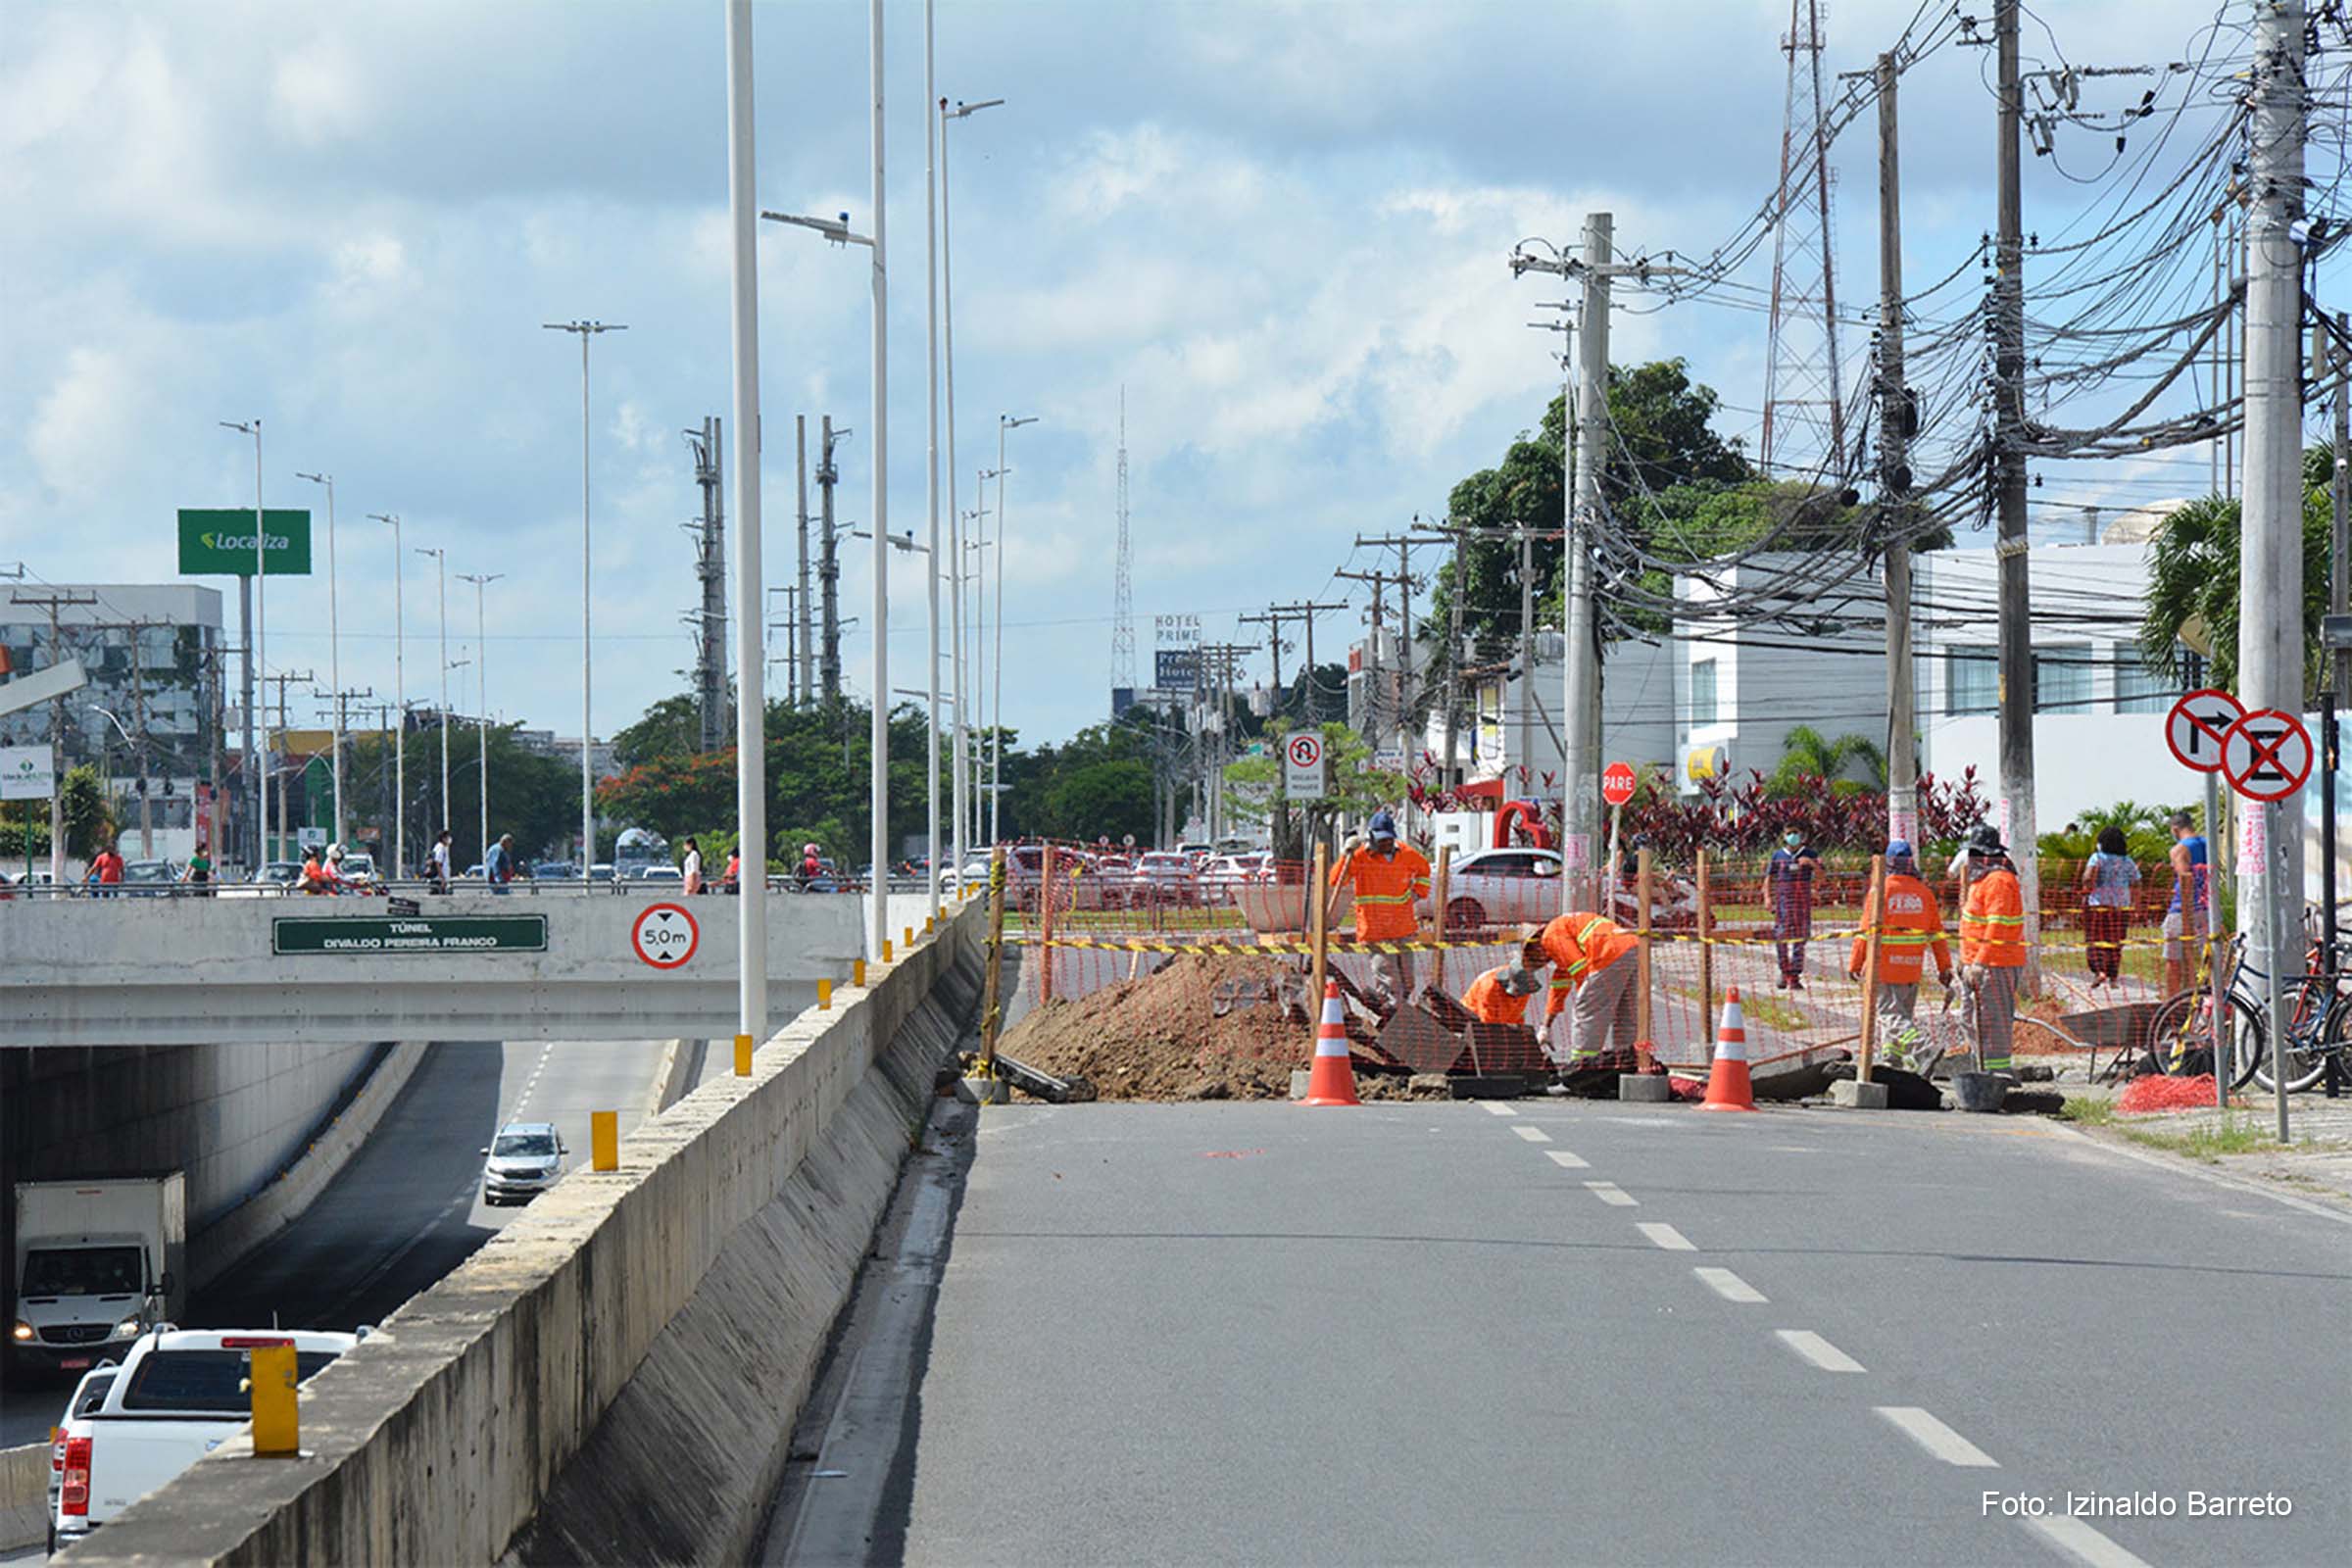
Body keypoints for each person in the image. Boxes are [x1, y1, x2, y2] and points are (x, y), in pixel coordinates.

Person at [1847, 841, 1952, 1068]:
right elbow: (1937, 936)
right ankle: (1890, 1059)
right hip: (1912, 968)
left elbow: (1865, 933)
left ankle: (1923, 1048)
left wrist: (1855, 964)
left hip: (1884, 967)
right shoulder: (1924, 893)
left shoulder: (1881, 890)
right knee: (1901, 1015)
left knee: (1890, 1016)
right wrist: (1945, 967)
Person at [1328, 809, 1431, 1010]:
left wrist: (1418, 893)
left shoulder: (1407, 854)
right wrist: (1344, 854)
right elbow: (1335, 880)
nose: (1386, 844)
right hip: (1375, 931)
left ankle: (1402, 1011)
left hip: (1403, 928)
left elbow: (1424, 870)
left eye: (1389, 839)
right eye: (1381, 840)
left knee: (1408, 981)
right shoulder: (1359, 857)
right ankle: (1393, 1019)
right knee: (1390, 982)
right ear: (1371, 837)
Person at [1521, 910, 1640, 1066]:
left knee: (1586, 1014)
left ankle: (1582, 1067)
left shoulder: (1550, 936)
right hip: (1633, 948)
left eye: (1533, 957)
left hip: (1608, 953)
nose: (1542, 962)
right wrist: (1546, 1027)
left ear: (1535, 944)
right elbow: (1558, 989)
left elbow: (1579, 969)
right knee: (1625, 1014)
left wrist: (1587, 1001)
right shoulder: (1563, 931)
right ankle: (1626, 1065)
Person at [1957, 824, 2027, 1076]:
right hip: (1976, 963)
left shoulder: (1999, 881)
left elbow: (1996, 926)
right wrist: (1964, 959)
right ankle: (1981, 1068)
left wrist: (1980, 963)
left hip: (1995, 964)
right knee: (1971, 1020)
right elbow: (1973, 923)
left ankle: (1998, 1076)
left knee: (1993, 1025)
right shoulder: (1982, 880)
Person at [2080, 825, 2140, 992]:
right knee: (2116, 941)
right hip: (2121, 906)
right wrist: (2137, 905)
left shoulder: (2097, 857)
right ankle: (2113, 975)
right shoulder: (2127, 861)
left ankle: (2099, 971)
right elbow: (2136, 882)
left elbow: (2086, 878)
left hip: (2099, 905)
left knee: (2095, 940)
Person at [2161, 810, 2209, 996]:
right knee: (2211, 958)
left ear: (2175, 829)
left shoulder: (2179, 849)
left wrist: (2187, 915)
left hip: (2183, 909)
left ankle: (2173, 1004)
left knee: (2173, 960)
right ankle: (2214, 1002)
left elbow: (2185, 878)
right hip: (2207, 907)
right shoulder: (2208, 844)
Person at [1766, 829, 1820, 988]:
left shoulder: (1810, 854)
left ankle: (1795, 975)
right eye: (1790, 833)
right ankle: (1784, 971)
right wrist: (1768, 898)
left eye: (1796, 833)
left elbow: (1822, 876)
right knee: (1781, 936)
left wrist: (1811, 864)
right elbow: (1768, 878)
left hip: (1802, 903)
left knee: (1800, 937)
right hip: (1783, 904)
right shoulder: (1778, 856)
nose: (1793, 836)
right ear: (1784, 836)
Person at [1460, 962, 1544, 1027]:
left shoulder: (1525, 985)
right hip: (1474, 1018)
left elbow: (1518, 1014)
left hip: (1500, 1018)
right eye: (1517, 991)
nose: (1519, 995)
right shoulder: (1489, 988)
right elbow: (1487, 1022)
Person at [429, 828, 454, 895]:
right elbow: (438, 864)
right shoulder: (441, 848)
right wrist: (442, 878)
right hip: (439, 881)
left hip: (439, 879)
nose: (449, 839)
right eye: (447, 837)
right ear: (443, 838)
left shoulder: (439, 847)